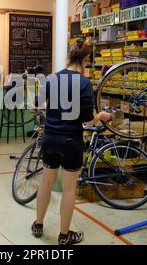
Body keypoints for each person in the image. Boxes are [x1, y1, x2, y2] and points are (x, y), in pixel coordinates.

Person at [32, 47, 111, 245]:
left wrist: (52, 115)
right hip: (71, 141)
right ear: (85, 59)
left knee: (46, 183)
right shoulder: (84, 83)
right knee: (68, 190)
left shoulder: (52, 78)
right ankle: (64, 235)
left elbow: (36, 103)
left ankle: (38, 225)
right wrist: (100, 116)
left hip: (50, 138)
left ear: (68, 58)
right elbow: (87, 118)